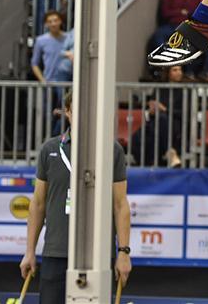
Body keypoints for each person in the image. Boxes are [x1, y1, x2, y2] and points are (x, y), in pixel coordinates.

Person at [20, 92, 130, 304]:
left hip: (97, 255)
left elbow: (120, 205)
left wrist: (124, 252)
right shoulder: (50, 149)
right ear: (68, 113)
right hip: (56, 252)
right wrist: (29, 251)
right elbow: (38, 204)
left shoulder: (112, 150)